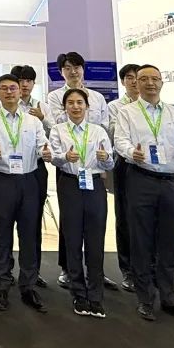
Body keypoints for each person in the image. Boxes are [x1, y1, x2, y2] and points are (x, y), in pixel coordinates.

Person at [114, 64, 174, 325]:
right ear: (136, 84)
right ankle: (145, 298)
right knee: (141, 240)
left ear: (162, 82)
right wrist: (132, 152)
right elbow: (120, 140)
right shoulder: (127, 112)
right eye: (144, 79)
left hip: (172, 182)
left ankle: (170, 297)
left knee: (169, 241)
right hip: (141, 179)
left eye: (155, 78)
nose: (150, 83)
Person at [0, 73, 51, 314]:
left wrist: (46, 152)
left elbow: (43, 144)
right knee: (2, 234)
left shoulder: (32, 121)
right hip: (2, 180)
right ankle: (2, 285)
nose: (9, 92)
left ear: (21, 92)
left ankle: (28, 285)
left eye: (13, 88)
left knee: (29, 234)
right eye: (4, 88)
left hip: (29, 180)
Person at [45, 52, 113, 290]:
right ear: (61, 72)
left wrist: (101, 161)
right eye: (67, 68)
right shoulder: (55, 97)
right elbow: (56, 125)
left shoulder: (97, 97)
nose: (73, 71)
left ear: (83, 69)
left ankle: (95, 272)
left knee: (95, 223)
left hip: (94, 165)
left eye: (77, 67)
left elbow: (103, 126)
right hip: (68, 165)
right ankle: (68, 268)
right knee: (70, 221)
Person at [12, 65, 55, 289]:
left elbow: (56, 132)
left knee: (33, 220)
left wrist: (43, 118)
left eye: (29, 80)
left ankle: (33, 271)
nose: (25, 84)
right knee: (6, 220)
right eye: (20, 80)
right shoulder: (6, 104)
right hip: (10, 169)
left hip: (35, 168)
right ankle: (6, 270)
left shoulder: (41, 106)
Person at [108, 63, 141, 293]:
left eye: (138, 77)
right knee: (125, 218)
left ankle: (149, 267)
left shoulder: (154, 107)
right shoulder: (115, 107)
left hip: (150, 166)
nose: (135, 81)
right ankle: (128, 270)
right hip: (124, 164)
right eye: (130, 77)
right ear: (123, 81)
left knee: (148, 219)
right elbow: (114, 134)